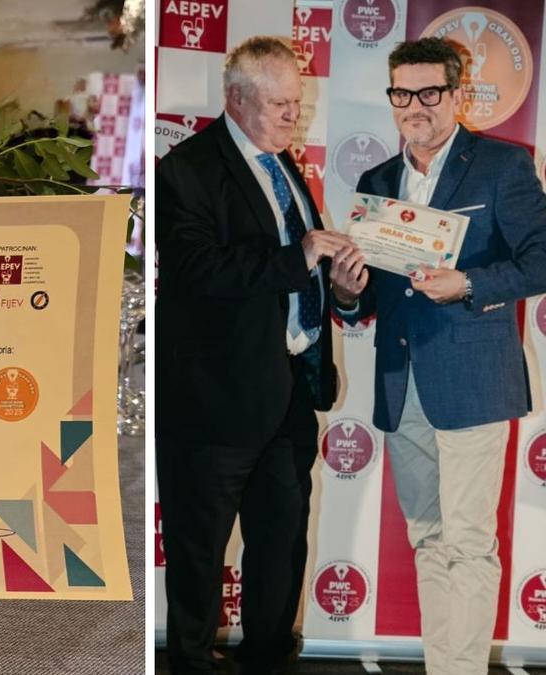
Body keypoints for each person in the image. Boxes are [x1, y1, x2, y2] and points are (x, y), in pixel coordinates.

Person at [332, 37, 546, 674]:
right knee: (429, 539)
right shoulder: (376, 183)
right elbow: (365, 302)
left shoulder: (502, 166)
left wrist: (471, 283)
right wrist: (347, 291)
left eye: (429, 93)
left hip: (474, 380)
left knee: (470, 543)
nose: (414, 107)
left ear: (457, 94)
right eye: (402, 93)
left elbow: (541, 257)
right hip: (403, 381)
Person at [156, 36, 356, 673]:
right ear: (236, 99)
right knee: (199, 550)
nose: (291, 116)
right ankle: (188, 662)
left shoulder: (285, 166)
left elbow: (299, 275)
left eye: (296, 103)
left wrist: (346, 287)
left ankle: (271, 658)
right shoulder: (184, 169)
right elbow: (194, 268)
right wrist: (299, 258)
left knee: (280, 546)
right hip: (212, 401)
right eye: (278, 104)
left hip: (289, 392)